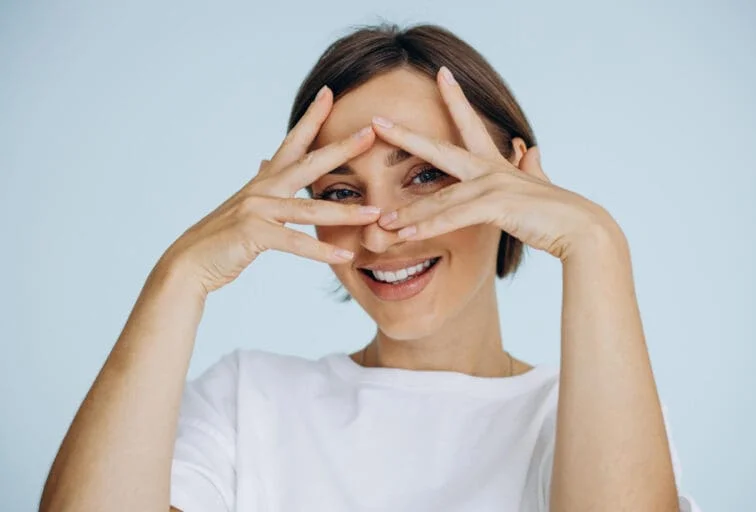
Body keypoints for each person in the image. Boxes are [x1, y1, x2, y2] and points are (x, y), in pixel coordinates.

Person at [39, 23, 701, 512]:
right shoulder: (248, 402)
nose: (381, 232)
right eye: (340, 192)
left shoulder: (586, 412)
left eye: (426, 175)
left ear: (515, 184)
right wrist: (181, 274)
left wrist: (596, 244)